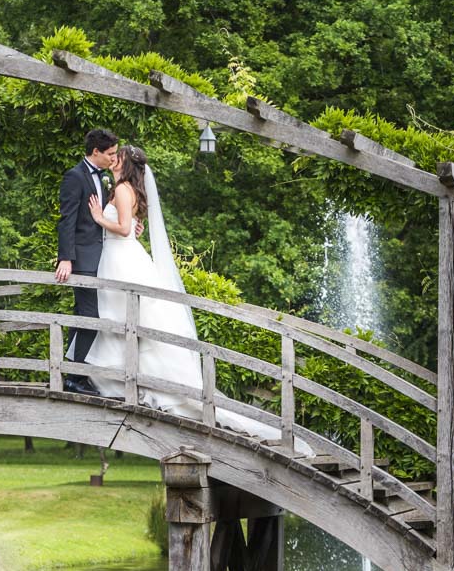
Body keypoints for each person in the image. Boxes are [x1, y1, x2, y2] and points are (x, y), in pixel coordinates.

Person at [84, 144, 313, 454]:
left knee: (126, 321)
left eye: (117, 157)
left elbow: (124, 229)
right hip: (122, 258)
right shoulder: (126, 189)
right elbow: (133, 228)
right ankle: (125, 380)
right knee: (125, 322)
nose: (113, 161)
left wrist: (99, 217)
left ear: (126, 163)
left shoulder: (124, 189)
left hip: (122, 259)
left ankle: (131, 382)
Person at [54, 127, 119, 395]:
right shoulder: (74, 177)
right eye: (110, 154)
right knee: (91, 316)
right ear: (96, 152)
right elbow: (66, 219)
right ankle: (75, 377)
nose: (113, 158)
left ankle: (73, 374)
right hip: (82, 259)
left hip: (100, 255)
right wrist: (66, 258)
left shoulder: (102, 177)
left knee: (83, 315)